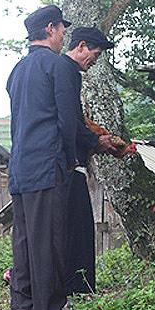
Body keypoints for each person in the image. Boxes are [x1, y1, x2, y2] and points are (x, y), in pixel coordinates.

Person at [6, 4, 83, 310]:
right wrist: (71, 158)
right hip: (47, 164)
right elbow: (68, 121)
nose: (64, 35)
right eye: (62, 29)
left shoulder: (17, 71)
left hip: (19, 167)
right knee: (50, 240)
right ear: (51, 28)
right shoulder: (58, 66)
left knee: (24, 240)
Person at [63, 27, 117, 295]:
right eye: (94, 55)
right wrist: (96, 141)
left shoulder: (70, 74)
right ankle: (78, 290)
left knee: (79, 230)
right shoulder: (66, 72)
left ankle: (79, 288)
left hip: (69, 163)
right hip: (67, 165)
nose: (94, 61)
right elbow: (71, 123)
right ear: (81, 46)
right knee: (78, 232)